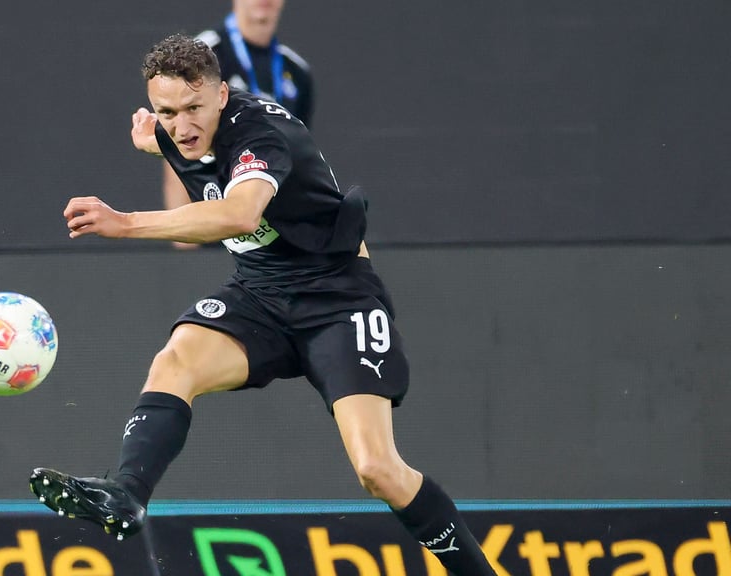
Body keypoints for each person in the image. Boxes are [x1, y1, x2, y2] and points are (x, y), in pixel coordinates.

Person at [31, 34, 498, 575]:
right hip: (261, 291)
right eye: (166, 111)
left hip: (338, 298)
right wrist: (153, 141)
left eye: (193, 109)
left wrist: (126, 222)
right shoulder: (172, 132)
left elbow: (240, 215)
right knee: (176, 359)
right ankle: (126, 495)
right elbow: (181, 144)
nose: (181, 126)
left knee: (378, 470)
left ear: (223, 96)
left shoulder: (261, 133)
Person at [162, 0, 314, 249]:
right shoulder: (202, 56)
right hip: (214, 230)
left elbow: (299, 155)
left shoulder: (296, 71)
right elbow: (177, 139)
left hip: (275, 237)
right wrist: (185, 240)